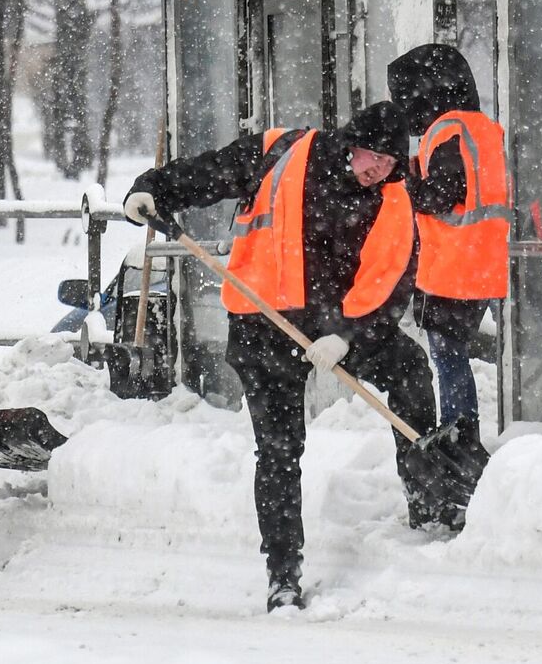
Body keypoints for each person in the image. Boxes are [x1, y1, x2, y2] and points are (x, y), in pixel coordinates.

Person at [123, 101, 437, 612]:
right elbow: (211, 172)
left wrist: (349, 336)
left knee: (409, 370)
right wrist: (152, 188)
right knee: (279, 449)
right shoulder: (283, 151)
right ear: (350, 141)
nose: (378, 169)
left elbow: (391, 278)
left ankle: (429, 503)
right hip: (262, 324)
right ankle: (282, 574)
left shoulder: (392, 196)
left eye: (389, 163)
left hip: (335, 326)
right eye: (372, 157)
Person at [387, 44, 509, 508]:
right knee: (450, 356)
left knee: (449, 358)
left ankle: (460, 442)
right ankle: (461, 438)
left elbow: (441, 194)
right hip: (483, 261)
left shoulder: (447, 130)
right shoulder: (483, 129)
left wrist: (402, 182)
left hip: (453, 267)